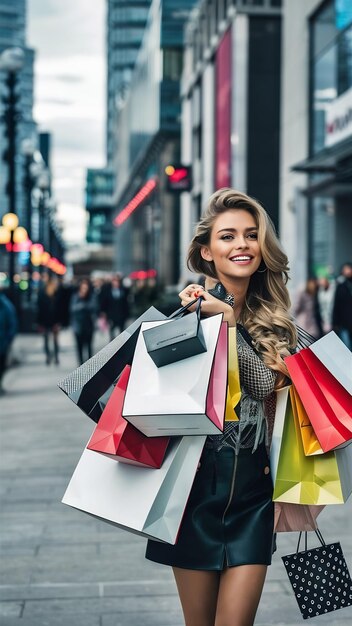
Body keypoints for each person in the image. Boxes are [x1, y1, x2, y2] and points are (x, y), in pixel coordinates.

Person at [145, 188, 302, 626]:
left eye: (251, 235)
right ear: (206, 252)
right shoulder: (184, 322)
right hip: (192, 493)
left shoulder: (281, 324)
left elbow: (261, 387)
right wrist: (208, 319)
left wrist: (231, 323)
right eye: (228, 236)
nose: (242, 245)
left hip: (255, 493)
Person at [70, 279, 97, 365]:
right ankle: (80, 364)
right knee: (79, 347)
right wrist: (82, 305)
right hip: (78, 326)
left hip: (88, 325)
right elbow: (72, 309)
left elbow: (94, 307)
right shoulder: (75, 297)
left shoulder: (91, 297)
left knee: (89, 347)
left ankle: (89, 365)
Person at [37, 274, 62, 365]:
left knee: (54, 340)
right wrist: (39, 322)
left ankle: (55, 356)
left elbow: (60, 310)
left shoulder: (56, 294)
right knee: (47, 339)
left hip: (53, 321)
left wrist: (59, 322)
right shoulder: (42, 294)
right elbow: (39, 309)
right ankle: (49, 356)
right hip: (45, 320)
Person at [100, 274, 130, 340]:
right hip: (111, 315)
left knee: (122, 333)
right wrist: (104, 313)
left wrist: (127, 314)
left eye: (117, 281)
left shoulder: (123, 290)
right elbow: (104, 303)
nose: (116, 283)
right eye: (114, 281)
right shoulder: (107, 291)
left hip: (121, 315)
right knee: (112, 333)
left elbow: (125, 303)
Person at [0, 289, 18, 394]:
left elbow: (12, 324)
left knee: (2, 365)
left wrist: (8, 340)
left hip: (2, 342)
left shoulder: (5, 305)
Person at [332, 262, 352, 350]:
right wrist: (335, 322)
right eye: (345, 270)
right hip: (344, 324)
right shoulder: (341, 287)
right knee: (347, 348)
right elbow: (336, 305)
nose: (347, 272)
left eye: (348, 269)